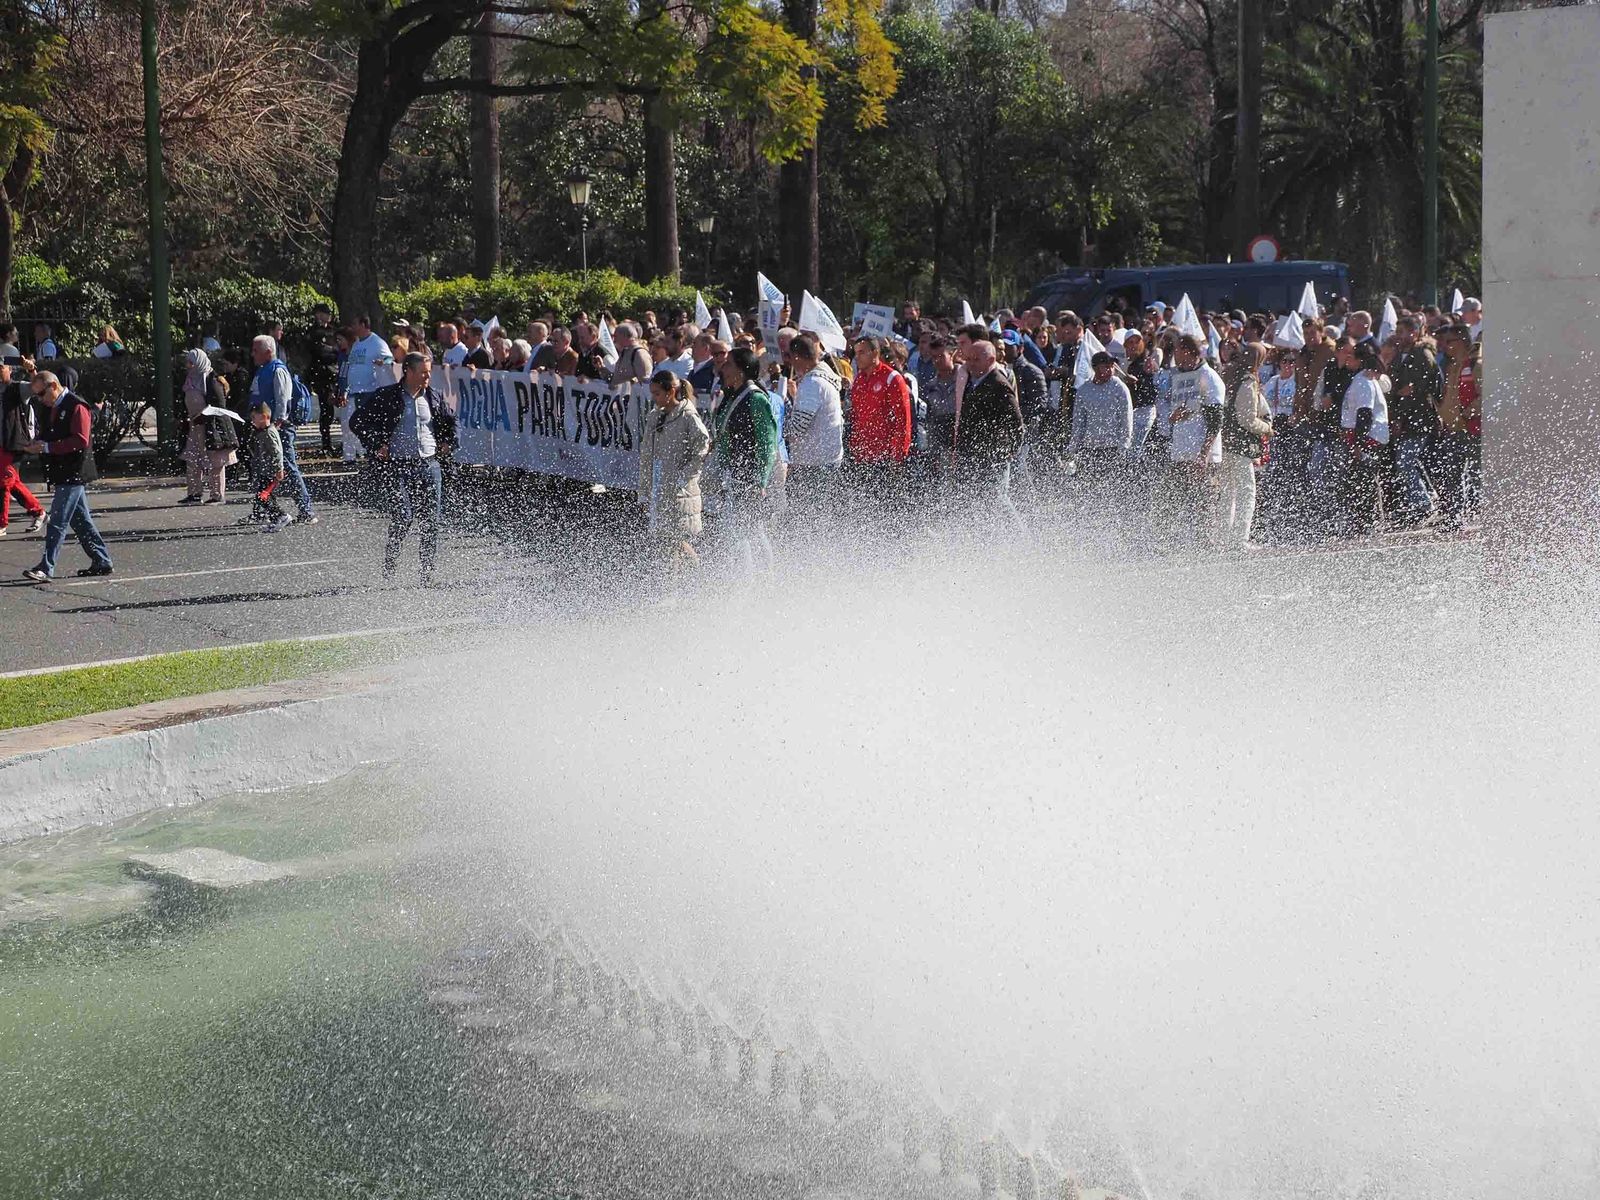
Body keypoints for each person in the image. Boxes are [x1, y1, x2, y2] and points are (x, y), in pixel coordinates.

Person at [351, 351, 457, 585]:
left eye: (430, 372)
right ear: (408, 371)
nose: (428, 377)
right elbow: (357, 421)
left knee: (431, 521)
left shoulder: (434, 397)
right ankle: (390, 563)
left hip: (429, 465)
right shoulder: (387, 396)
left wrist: (448, 442)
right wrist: (377, 443)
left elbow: (451, 422)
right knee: (403, 516)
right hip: (398, 467)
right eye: (423, 373)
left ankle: (426, 574)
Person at [20, 371, 113, 581]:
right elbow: (51, 433)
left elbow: (80, 440)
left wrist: (46, 448)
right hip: (63, 472)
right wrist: (36, 444)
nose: (40, 399)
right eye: (37, 396)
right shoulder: (52, 406)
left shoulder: (76, 406)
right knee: (81, 521)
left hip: (74, 472)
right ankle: (102, 560)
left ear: (53, 386)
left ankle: (46, 567)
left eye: (42, 393)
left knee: (58, 520)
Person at [709, 346, 780, 571]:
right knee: (747, 530)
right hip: (731, 475)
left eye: (728, 363)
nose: (723, 367)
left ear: (741, 370)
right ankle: (758, 576)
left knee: (743, 531)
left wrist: (760, 481)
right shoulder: (730, 395)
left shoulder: (756, 398)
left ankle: (749, 582)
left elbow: (767, 444)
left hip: (748, 477)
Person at [952, 338, 1026, 535]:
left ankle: (1021, 538)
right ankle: (987, 536)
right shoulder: (972, 380)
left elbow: (1016, 422)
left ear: (991, 359)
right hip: (973, 453)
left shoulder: (998, 383)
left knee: (997, 496)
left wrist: (1011, 449)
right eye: (968, 359)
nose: (970, 363)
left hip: (994, 454)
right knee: (977, 498)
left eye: (976, 359)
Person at [1158, 334, 1225, 549]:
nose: (1174, 354)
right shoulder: (1179, 376)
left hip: (1200, 455)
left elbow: (1215, 422)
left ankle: (1207, 545)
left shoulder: (1208, 377)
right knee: (1170, 500)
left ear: (1187, 351)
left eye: (1177, 349)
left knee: (1204, 503)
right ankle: (1173, 544)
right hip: (1179, 452)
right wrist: (1174, 416)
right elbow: (1175, 412)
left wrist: (1203, 455)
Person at [637, 370, 710, 566]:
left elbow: (703, 446)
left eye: (657, 393)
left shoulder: (687, 415)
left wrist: (684, 477)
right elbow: (646, 457)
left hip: (679, 491)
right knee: (667, 542)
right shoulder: (654, 416)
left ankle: (684, 581)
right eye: (652, 393)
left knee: (672, 541)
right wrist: (644, 491)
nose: (654, 397)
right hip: (659, 486)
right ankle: (681, 582)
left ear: (671, 391)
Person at [252, 335, 317, 523]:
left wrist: (278, 421)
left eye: (256, 350)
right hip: (268, 425)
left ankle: (306, 510)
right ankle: (260, 510)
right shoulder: (265, 369)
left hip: (279, 426)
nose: (253, 354)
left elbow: (283, 399)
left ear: (268, 351)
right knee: (264, 468)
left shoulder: (278, 370)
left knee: (287, 465)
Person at [1385, 315, 1441, 526]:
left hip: (1419, 417)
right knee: (1409, 462)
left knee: (1405, 462)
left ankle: (1424, 505)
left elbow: (1433, 382)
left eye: (1403, 332)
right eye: (1397, 332)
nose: (1399, 336)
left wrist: (1414, 390)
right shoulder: (1400, 356)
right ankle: (1425, 498)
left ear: (1414, 332)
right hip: (1405, 418)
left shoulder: (1422, 354)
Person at [1218, 341, 1273, 550]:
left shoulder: (1229, 374)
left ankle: (1224, 537)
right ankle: (1240, 539)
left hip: (1225, 443)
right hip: (1240, 445)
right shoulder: (1247, 381)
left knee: (1227, 492)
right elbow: (1247, 419)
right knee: (1246, 492)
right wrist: (1266, 428)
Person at [783, 333, 845, 513]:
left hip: (815, 467)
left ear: (796, 357)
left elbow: (797, 428)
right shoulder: (822, 378)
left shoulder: (812, 383)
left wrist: (776, 422)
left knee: (807, 520)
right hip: (823, 462)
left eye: (789, 356)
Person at [846, 336, 912, 495]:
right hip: (862, 457)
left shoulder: (892, 378)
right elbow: (856, 417)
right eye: (856, 352)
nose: (857, 357)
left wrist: (897, 458)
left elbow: (902, 422)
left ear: (875, 353)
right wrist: (855, 450)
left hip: (885, 458)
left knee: (886, 505)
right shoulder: (859, 380)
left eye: (862, 352)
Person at [1433, 321, 1481, 530]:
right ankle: (1454, 518)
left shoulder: (1475, 365)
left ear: (1462, 341)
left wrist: (1468, 412)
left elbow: (1486, 394)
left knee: (1477, 476)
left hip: (1471, 428)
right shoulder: (1454, 366)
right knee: (1451, 474)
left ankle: (1482, 513)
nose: (1445, 345)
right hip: (1453, 429)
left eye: (1449, 341)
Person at [1339, 340, 1391, 535]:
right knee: (1361, 480)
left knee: (1363, 481)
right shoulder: (1362, 378)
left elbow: (1364, 414)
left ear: (1359, 360)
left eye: (1350, 355)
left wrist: (1358, 444)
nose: (1346, 358)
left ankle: (1368, 522)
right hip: (1363, 437)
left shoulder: (1363, 381)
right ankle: (1366, 521)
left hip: (1367, 438)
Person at [179, 349, 238, 505]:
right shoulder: (191, 379)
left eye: (191, 362)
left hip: (211, 427)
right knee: (192, 459)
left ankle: (217, 495)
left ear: (199, 362)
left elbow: (219, 407)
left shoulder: (211, 380)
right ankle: (194, 493)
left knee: (216, 461)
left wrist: (204, 417)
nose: (188, 365)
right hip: (195, 426)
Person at [1067, 351, 1134, 484]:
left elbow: (1126, 419)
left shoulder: (1120, 388)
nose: (1111, 369)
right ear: (1096, 368)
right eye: (1107, 366)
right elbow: (1079, 422)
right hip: (1089, 448)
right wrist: (1073, 448)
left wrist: (1123, 447)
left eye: (1111, 366)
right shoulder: (1083, 390)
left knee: (1111, 487)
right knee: (1089, 487)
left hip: (1113, 448)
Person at [341, 315, 394, 463]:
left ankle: (374, 455)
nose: (352, 328)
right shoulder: (357, 343)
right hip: (355, 392)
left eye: (355, 324)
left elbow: (390, 359)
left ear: (364, 324)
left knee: (367, 425)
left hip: (369, 391)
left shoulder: (376, 342)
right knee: (353, 424)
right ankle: (367, 454)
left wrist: (383, 362)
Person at [0, 363, 45, 536]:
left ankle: (2, 524)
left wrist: (32, 370)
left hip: (14, 444)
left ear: (9, 369)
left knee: (4, 483)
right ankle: (38, 512)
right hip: (2, 446)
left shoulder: (17, 388)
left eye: (1, 367)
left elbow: (40, 386)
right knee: (12, 483)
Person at [299, 303, 341, 454]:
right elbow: (316, 351)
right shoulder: (312, 332)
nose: (328, 316)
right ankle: (326, 443)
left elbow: (337, 350)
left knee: (335, 409)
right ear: (318, 314)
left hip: (334, 373)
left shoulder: (333, 331)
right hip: (321, 375)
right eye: (325, 313)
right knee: (326, 410)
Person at [243, 400, 291, 531]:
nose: (252, 420)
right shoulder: (263, 431)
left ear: (265, 417)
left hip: (270, 470)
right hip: (265, 470)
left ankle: (282, 516)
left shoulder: (268, 433)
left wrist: (279, 469)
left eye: (254, 417)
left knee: (262, 496)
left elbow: (276, 452)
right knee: (266, 496)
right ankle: (276, 519)